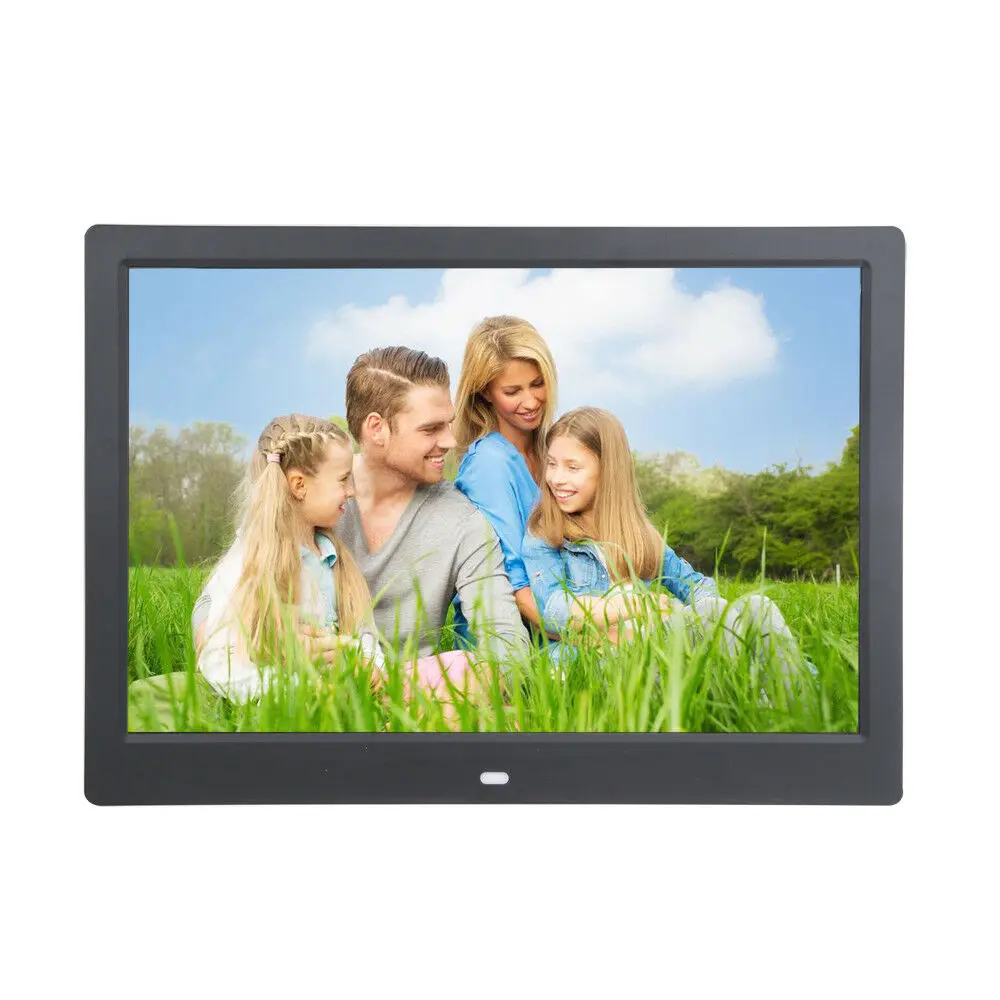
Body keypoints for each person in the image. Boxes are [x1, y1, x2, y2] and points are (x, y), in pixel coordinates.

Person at [190, 414, 474, 711]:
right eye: (342, 480)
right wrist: (303, 692)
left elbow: (362, 632)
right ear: (299, 485)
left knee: (464, 666)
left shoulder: (332, 556)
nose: (351, 491)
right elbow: (222, 659)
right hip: (295, 699)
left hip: (343, 689)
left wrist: (370, 666)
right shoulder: (251, 561)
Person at [521, 407, 804, 681]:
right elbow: (553, 611)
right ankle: (746, 691)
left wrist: (696, 611)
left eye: (572, 467)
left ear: (608, 470)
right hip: (595, 661)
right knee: (715, 618)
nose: (556, 478)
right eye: (552, 464)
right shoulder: (545, 534)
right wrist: (635, 607)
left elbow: (693, 583)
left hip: (651, 645)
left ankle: (795, 695)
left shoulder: (637, 533)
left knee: (757, 607)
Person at [335, 346, 531, 673]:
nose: (450, 441)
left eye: (448, 425)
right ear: (376, 428)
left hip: (413, 692)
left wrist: (478, 677)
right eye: (430, 429)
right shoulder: (308, 497)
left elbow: (507, 642)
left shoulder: (461, 521)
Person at [452, 315, 558, 637]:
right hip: (512, 638)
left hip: (557, 617)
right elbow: (514, 583)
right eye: (512, 391)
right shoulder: (489, 463)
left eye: (537, 384)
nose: (531, 402)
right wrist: (590, 637)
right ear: (485, 392)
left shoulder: (553, 451)